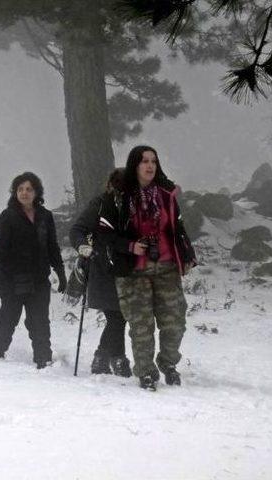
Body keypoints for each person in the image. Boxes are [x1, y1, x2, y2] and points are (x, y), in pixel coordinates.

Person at [113, 146, 196, 390]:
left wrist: (187, 253)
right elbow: (106, 233)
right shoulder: (119, 196)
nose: (149, 166)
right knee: (142, 325)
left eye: (153, 161)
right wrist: (129, 246)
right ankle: (146, 371)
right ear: (134, 165)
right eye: (144, 161)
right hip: (133, 270)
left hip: (167, 266)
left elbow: (177, 228)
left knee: (175, 322)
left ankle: (168, 363)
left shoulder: (166, 194)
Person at [0, 172, 67, 369]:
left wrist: (60, 271)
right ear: (14, 192)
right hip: (12, 278)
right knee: (8, 316)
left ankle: (43, 358)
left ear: (36, 192)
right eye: (20, 189)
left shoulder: (45, 216)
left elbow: (52, 246)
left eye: (29, 189)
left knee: (40, 320)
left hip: (39, 278)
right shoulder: (8, 216)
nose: (24, 193)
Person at [69, 168, 132, 377]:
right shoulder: (100, 204)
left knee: (119, 316)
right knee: (117, 316)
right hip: (103, 268)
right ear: (110, 185)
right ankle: (108, 358)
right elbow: (77, 230)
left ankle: (109, 358)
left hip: (126, 269)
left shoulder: (138, 206)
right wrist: (82, 247)